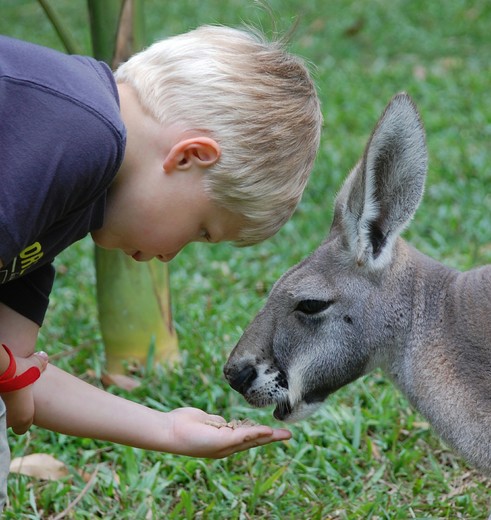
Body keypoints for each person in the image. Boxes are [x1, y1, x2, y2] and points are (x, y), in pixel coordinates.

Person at [0, 24, 322, 510]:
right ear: (189, 156)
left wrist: (169, 429)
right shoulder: (80, 133)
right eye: (201, 230)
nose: (172, 255)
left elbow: (20, 371)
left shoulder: (71, 202)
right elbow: (11, 372)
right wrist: (9, 373)